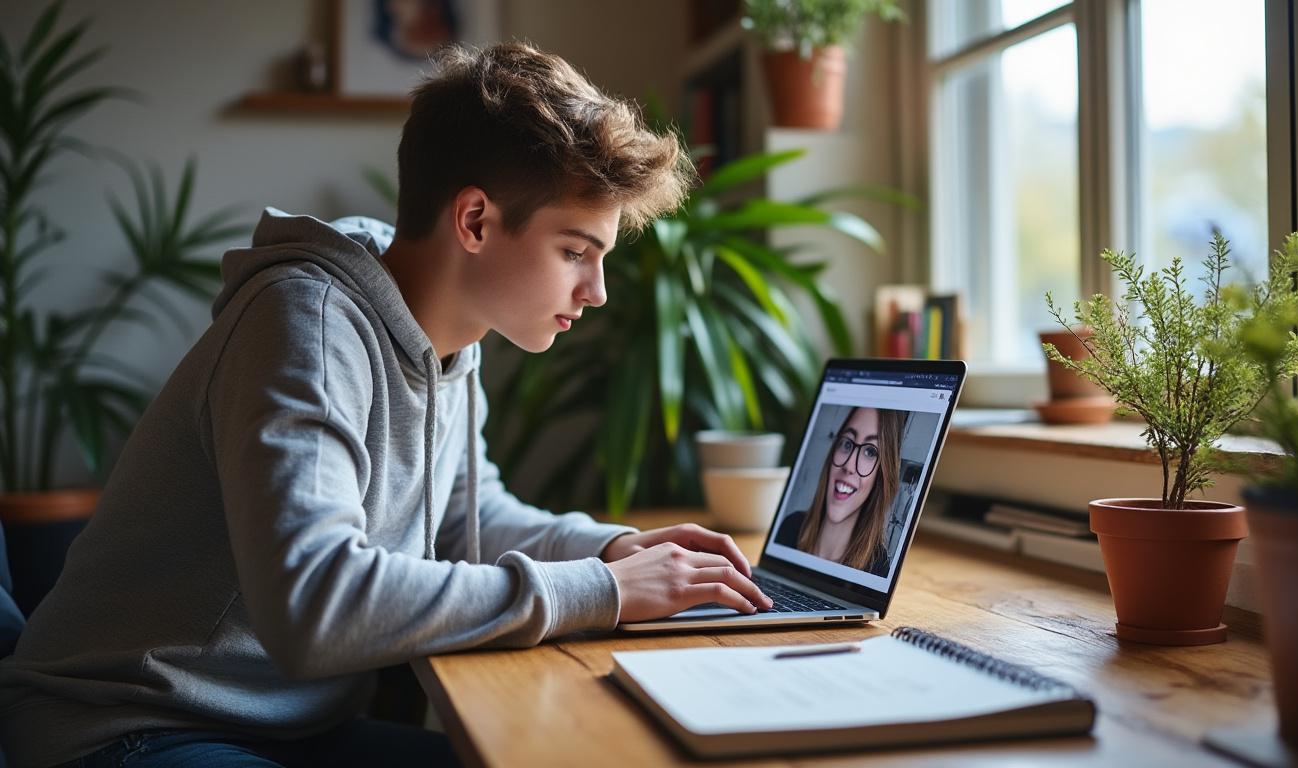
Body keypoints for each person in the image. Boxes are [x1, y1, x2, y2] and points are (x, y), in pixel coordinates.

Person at [0, 42, 773, 768]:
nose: (595, 291)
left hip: (285, 726)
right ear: (474, 220)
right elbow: (317, 602)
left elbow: (466, 517)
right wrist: (600, 595)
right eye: (575, 251)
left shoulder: (447, 338)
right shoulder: (306, 321)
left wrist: (612, 553)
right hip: (128, 729)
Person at [775, 407, 906, 575]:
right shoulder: (791, 527)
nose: (849, 465)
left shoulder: (878, 567)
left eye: (870, 452)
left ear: (882, 476)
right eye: (847, 443)